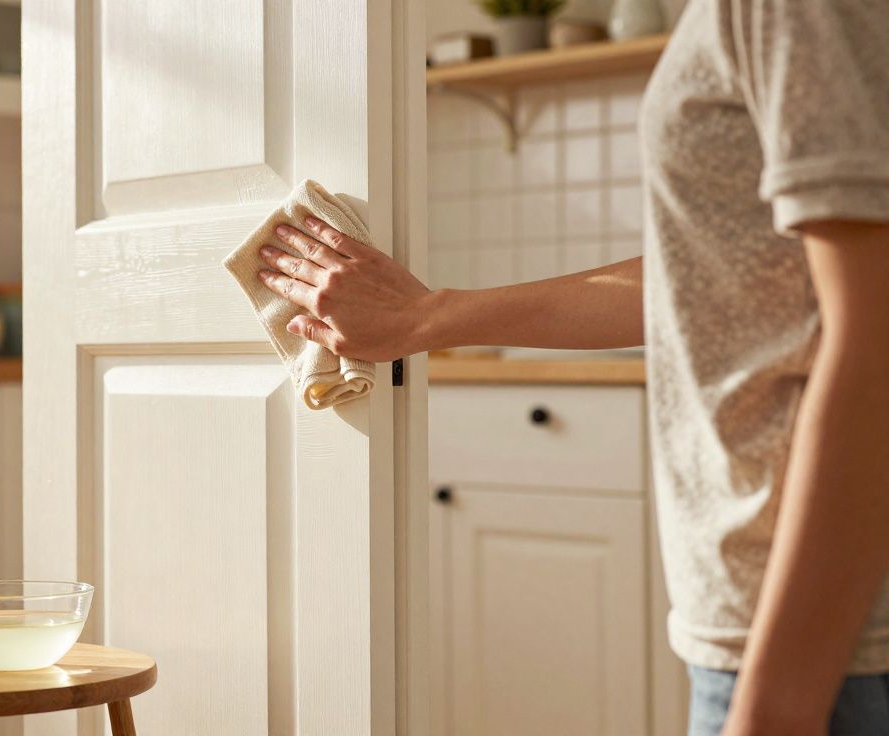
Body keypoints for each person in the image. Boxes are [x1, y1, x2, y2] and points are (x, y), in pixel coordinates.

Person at [256, 2, 889, 734]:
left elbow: (872, 342)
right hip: (779, 631)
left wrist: (775, 708)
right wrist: (426, 317)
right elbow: (714, 276)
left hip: (817, 647)